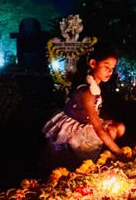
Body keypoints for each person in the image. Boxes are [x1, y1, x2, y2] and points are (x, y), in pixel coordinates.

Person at [41, 42, 127, 170]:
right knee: (111, 131)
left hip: (86, 121)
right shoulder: (86, 92)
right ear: (93, 64)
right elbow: (98, 128)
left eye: (113, 68)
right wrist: (119, 153)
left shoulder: (95, 87)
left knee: (119, 127)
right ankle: (94, 158)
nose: (110, 71)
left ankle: (103, 154)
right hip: (74, 128)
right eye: (106, 66)